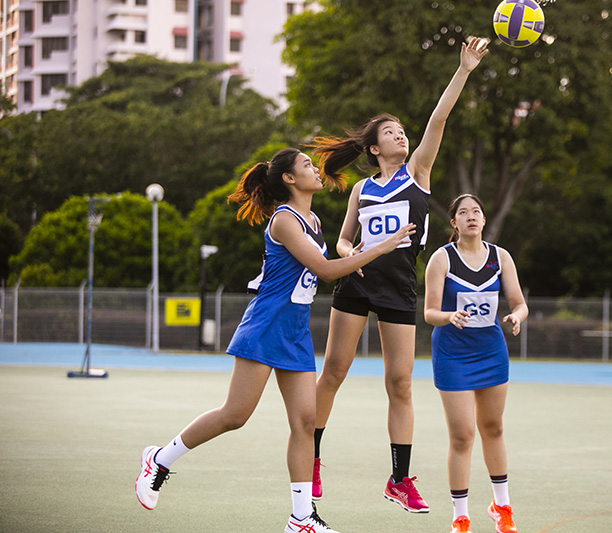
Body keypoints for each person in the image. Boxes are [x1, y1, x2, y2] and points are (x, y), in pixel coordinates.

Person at [134, 148, 415, 533]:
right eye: (306, 166)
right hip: (266, 326)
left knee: (305, 421)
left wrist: (360, 250)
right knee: (235, 415)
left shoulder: (313, 219)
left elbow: (333, 261)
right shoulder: (284, 220)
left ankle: (301, 518)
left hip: (295, 332)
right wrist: (380, 249)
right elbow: (327, 270)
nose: (315, 170)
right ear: (288, 179)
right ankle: (160, 458)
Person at [309, 37, 490, 513]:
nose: (402, 136)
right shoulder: (363, 189)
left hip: (398, 289)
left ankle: (398, 479)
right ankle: (310, 459)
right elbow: (343, 241)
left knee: (401, 384)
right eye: (391, 133)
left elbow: (438, 120)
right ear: (373, 147)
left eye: (402, 131)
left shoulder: (417, 175)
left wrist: (464, 69)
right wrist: (356, 254)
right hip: (357, 283)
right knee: (333, 371)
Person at [423, 194, 528, 533]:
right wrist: (448, 316)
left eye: (477, 212)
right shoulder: (442, 259)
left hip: (491, 352)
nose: (471, 217)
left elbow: (519, 303)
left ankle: (502, 507)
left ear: (484, 220)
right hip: (453, 355)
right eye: (463, 213)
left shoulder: (501, 257)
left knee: (493, 428)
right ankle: (460, 516)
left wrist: (516, 316)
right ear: (453, 222)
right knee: (463, 435)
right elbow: (429, 312)